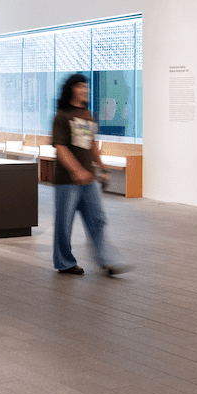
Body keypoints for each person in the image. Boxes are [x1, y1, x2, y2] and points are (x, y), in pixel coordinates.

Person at [51, 74, 126, 276]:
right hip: (67, 181)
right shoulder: (62, 116)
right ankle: (64, 263)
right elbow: (61, 148)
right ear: (72, 90)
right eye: (81, 87)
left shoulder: (87, 114)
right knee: (64, 223)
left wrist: (101, 167)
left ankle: (107, 260)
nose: (85, 90)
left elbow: (92, 144)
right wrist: (77, 171)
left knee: (98, 219)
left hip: (89, 179)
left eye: (86, 87)